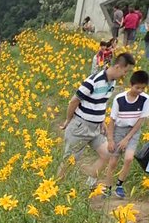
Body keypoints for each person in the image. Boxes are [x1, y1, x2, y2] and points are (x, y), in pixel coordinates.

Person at [59, 51, 136, 185]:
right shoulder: (94, 80)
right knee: (69, 162)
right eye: (125, 71)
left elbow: (101, 103)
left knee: (107, 154)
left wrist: (101, 120)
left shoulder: (112, 83)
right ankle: (56, 189)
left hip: (96, 128)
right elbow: (74, 101)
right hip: (80, 127)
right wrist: (68, 119)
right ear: (117, 67)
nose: (125, 75)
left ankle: (90, 183)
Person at [105, 69, 149, 198]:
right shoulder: (119, 99)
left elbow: (141, 121)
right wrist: (110, 140)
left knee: (129, 158)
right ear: (130, 84)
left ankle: (119, 185)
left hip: (133, 131)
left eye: (143, 88)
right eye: (137, 87)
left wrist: (127, 138)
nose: (140, 91)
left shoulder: (145, 99)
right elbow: (112, 121)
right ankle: (108, 187)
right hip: (119, 129)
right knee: (113, 161)